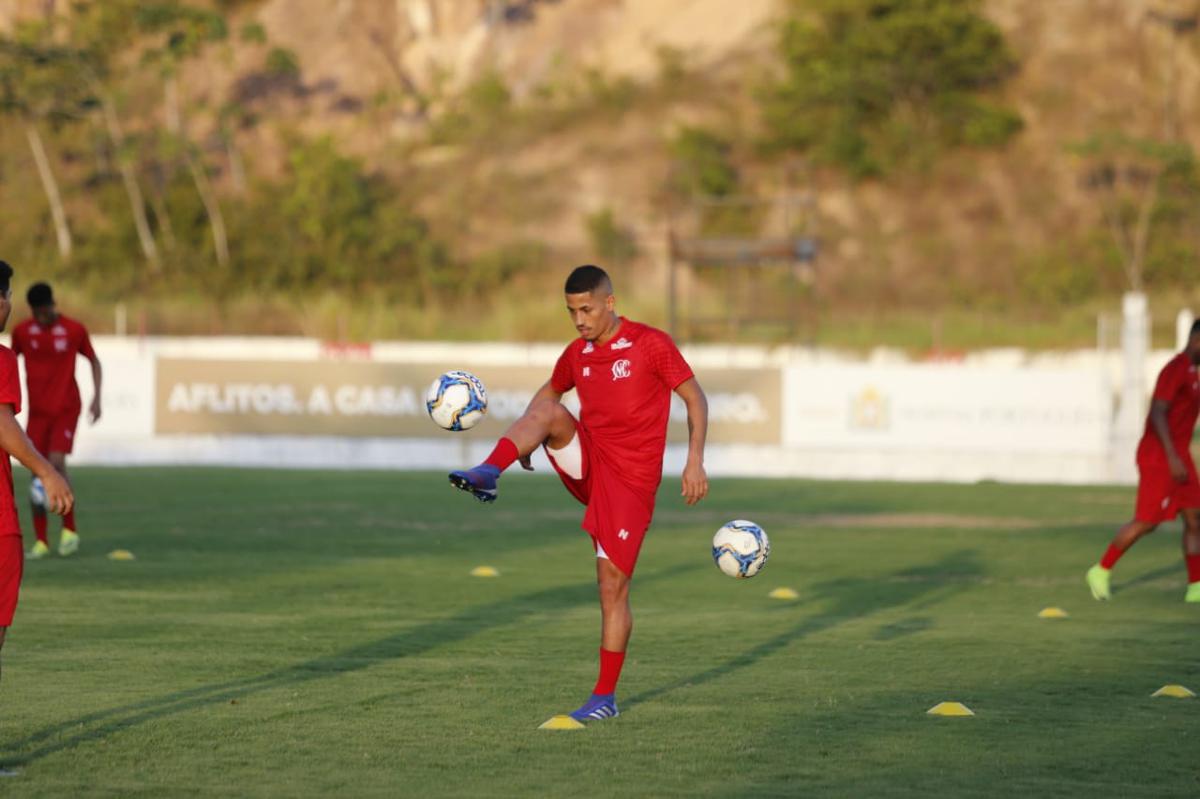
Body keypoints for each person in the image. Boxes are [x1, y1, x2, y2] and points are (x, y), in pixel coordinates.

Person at [449, 264, 709, 723]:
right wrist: (525, 440)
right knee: (550, 410)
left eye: (586, 309)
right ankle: (490, 470)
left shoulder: (652, 344)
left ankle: (604, 698)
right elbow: (549, 394)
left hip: (630, 484)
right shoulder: (577, 353)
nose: (579, 320)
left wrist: (693, 460)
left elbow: (694, 397)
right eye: (571, 311)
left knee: (611, 587)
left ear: (610, 302)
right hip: (589, 463)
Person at [1087, 319, 1200, 603]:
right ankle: (1100, 570)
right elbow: (1158, 413)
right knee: (1148, 522)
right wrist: (1173, 457)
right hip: (1160, 455)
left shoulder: (1193, 373)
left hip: (1179, 453)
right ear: (1197, 339)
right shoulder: (1174, 370)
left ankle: (1196, 587)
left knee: (1195, 517)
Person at [0, 262, 74, 683]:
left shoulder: (71, 330)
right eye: (7, 296)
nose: (9, 305)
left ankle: (60, 535)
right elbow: (1, 422)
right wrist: (46, 472)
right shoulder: (4, 356)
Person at [10, 282, 100, 559]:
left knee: (56, 463)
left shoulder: (74, 329)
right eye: (35, 312)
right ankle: (41, 541)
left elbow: (94, 361)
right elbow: (9, 360)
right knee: (37, 469)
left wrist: (97, 398)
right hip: (37, 412)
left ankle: (69, 531)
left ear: (52, 305)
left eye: (44, 310)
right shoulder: (23, 332)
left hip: (65, 408)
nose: (40, 316)